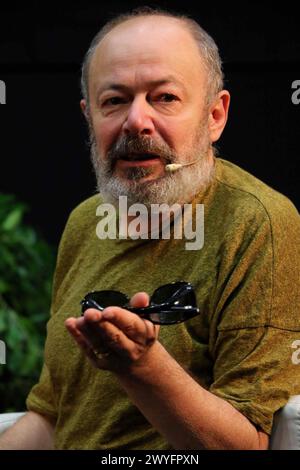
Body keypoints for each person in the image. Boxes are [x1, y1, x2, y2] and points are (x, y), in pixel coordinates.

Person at [1, 7, 300, 450]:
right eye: (114, 100)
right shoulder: (86, 220)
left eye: (165, 98)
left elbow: (245, 445)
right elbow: (52, 416)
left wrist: (141, 365)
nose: (136, 121)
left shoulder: (258, 223)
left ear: (215, 116)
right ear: (90, 117)